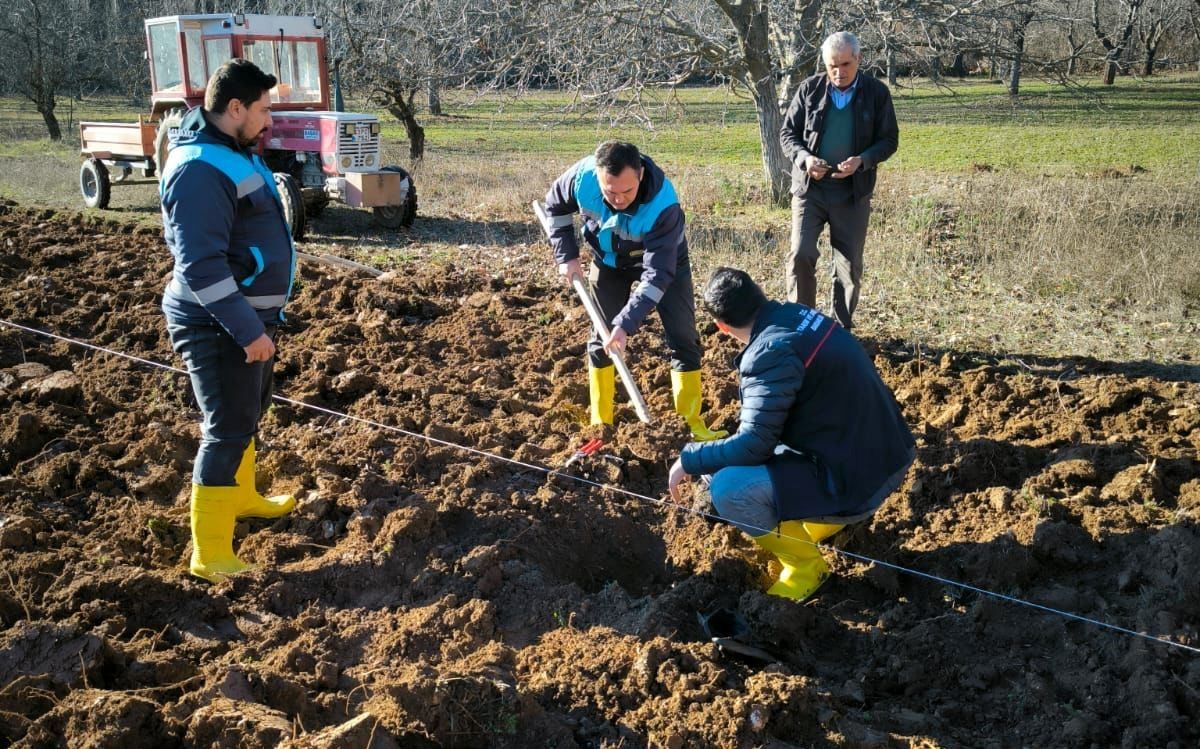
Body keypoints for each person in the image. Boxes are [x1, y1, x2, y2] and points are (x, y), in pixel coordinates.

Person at [668, 268, 915, 601]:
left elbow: (753, 445)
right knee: (745, 461)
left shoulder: (767, 355)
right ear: (759, 294)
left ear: (721, 327)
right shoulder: (798, 315)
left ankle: (805, 567)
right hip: (886, 451)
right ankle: (812, 530)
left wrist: (690, 459)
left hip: (858, 480)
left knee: (728, 488)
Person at [160, 59, 298, 583]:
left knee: (247, 413)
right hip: (216, 324)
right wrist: (247, 330)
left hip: (246, 318)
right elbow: (200, 266)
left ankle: (241, 498)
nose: (269, 121)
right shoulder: (199, 169)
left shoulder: (230, 151)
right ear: (234, 108)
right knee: (226, 428)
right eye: (263, 110)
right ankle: (211, 551)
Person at [543, 140, 724, 440]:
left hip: (665, 265)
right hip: (609, 261)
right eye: (609, 192)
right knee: (601, 338)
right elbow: (554, 205)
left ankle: (690, 427)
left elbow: (657, 276)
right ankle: (601, 424)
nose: (618, 199)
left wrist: (625, 324)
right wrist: (567, 255)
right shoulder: (582, 178)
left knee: (682, 337)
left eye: (626, 191)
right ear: (598, 177)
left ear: (640, 174)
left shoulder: (663, 205)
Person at [780, 31, 898, 330]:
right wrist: (805, 159)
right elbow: (787, 135)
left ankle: (838, 330)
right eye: (832, 65)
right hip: (811, 190)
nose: (838, 72)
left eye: (845, 64)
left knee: (848, 266)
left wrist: (862, 161)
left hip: (852, 193)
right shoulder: (809, 90)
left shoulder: (876, 93)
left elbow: (889, 140)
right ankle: (802, 324)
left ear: (858, 59)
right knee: (801, 254)